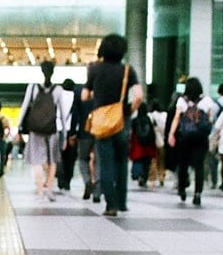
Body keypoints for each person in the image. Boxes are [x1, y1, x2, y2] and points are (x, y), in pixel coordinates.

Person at [82, 33, 143, 217]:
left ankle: (110, 205)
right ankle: (122, 202)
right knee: (121, 161)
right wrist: (129, 111)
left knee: (105, 162)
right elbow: (139, 95)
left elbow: (84, 96)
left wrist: (97, 96)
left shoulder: (95, 70)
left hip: (102, 122)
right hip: (122, 120)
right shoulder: (127, 70)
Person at [19, 60, 68, 200]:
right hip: (52, 130)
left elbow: (24, 107)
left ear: (41, 71)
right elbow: (62, 114)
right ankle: (50, 190)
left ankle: (40, 192)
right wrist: (64, 132)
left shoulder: (33, 87)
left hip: (35, 129)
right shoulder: (57, 90)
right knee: (52, 160)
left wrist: (19, 126)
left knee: (37, 161)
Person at [167, 77, 212, 205]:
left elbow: (176, 118)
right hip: (201, 138)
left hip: (185, 138)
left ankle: (182, 189)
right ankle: (197, 193)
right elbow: (209, 119)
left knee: (183, 164)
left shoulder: (182, 100)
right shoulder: (207, 101)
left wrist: (171, 134)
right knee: (199, 166)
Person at [129, 102, 159, 188]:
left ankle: (138, 175)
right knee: (147, 162)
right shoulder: (149, 119)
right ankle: (144, 177)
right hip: (148, 146)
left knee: (137, 160)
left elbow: (132, 133)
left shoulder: (134, 120)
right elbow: (153, 133)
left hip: (138, 145)